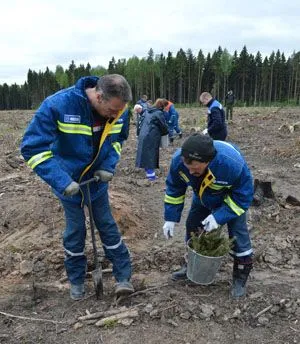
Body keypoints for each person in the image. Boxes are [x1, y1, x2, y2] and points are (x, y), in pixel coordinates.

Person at [21, 74, 134, 300]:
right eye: (112, 110)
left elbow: (117, 141)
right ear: (99, 96)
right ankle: (77, 280)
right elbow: (32, 148)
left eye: (119, 111)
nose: (116, 114)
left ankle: (124, 276)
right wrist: (62, 181)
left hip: (97, 181)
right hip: (69, 182)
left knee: (107, 225)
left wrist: (109, 166)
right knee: (75, 231)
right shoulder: (58, 105)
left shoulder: (120, 110)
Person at [162, 134, 254, 298]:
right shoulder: (179, 161)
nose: (190, 171)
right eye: (187, 166)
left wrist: (219, 216)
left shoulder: (231, 164)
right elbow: (175, 190)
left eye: (195, 169)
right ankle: (192, 266)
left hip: (230, 199)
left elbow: (243, 198)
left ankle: (240, 278)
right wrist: (170, 217)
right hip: (203, 195)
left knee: (238, 237)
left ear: (208, 161)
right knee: (193, 227)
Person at [136, 99, 169, 181]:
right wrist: (166, 133)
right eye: (166, 107)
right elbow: (163, 125)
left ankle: (148, 173)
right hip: (151, 136)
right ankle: (151, 177)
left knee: (145, 154)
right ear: (163, 106)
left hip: (143, 134)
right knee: (151, 155)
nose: (167, 108)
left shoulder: (148, 111)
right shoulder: (159, 113)